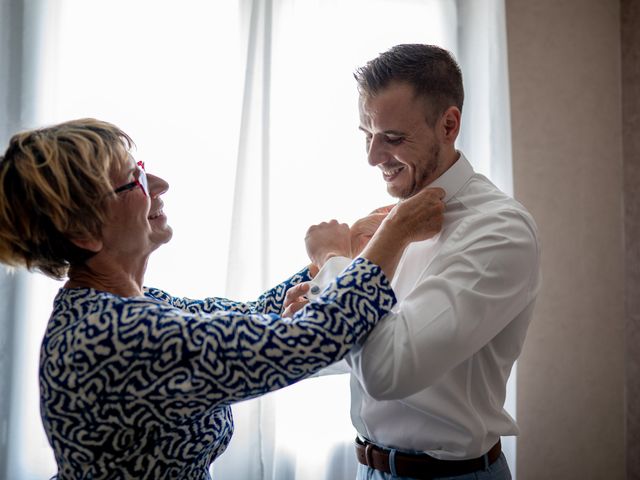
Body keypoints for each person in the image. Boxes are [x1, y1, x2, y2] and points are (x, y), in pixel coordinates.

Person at [0, 118, 446, 479]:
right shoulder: (116, 335)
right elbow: (312, 340)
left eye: (142, 166)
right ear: (83, 231)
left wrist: (348, 250)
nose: (159, 183)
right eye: (133, 180)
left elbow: (250, 316)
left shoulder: (123, 307)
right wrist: (393, 234)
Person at [286, 44, 541, 480]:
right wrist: (316, 316)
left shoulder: (499, 231)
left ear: (449, 124)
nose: (371, 156)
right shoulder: (393, 223)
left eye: (392, 138)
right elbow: (362, 353)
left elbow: (388, 373)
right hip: (368, 468)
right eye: (366, 133)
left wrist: (334, 262)